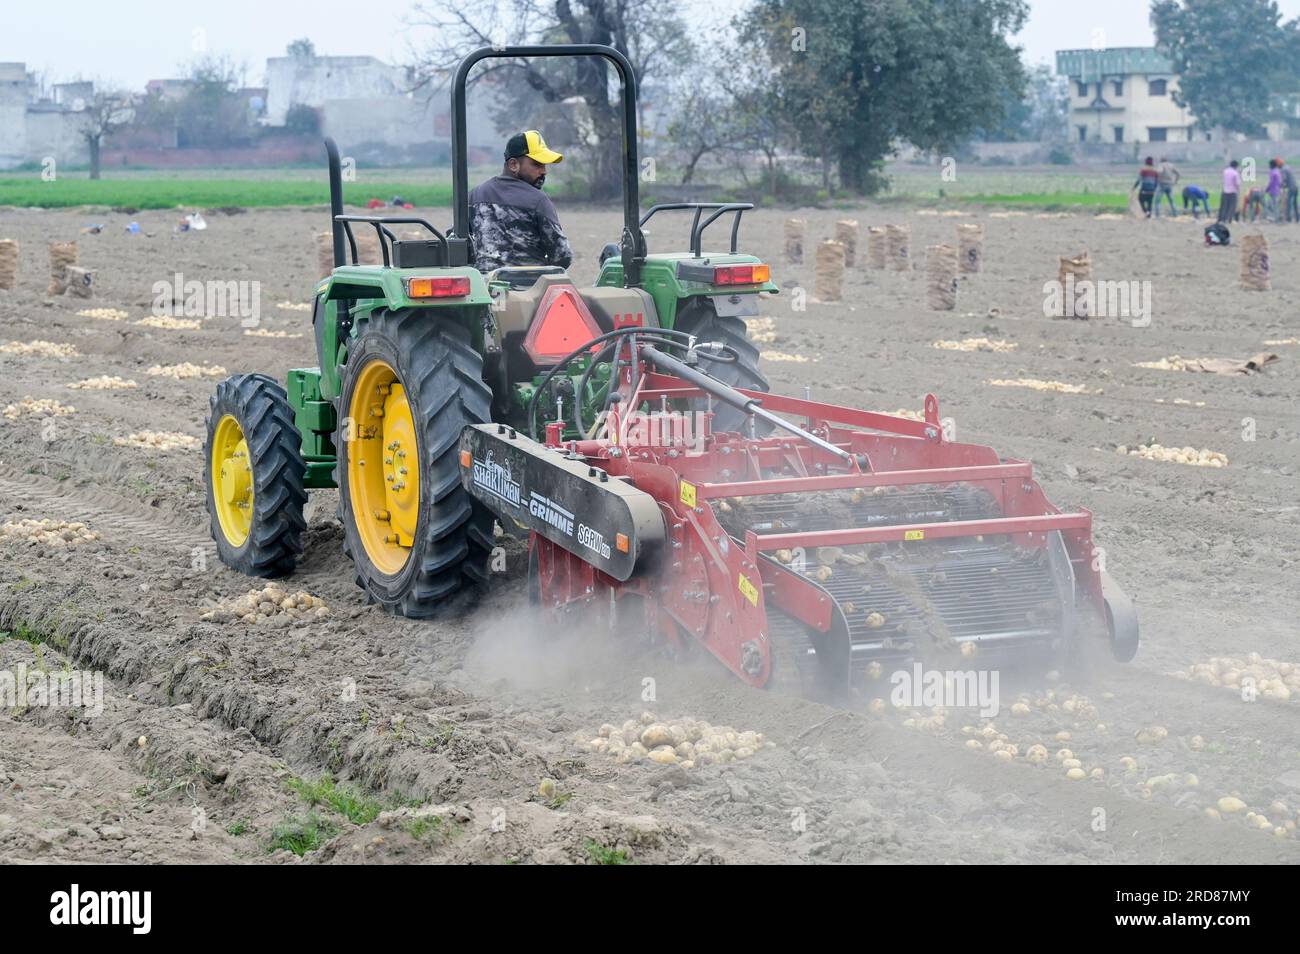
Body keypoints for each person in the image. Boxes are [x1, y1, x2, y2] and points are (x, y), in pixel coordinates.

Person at [468, 130, 573, 273]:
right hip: (529, 287)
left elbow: (457, 241)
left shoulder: (475, 195)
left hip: (484, 286)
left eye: (544, 165)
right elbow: (562, 256)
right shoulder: (538, 201)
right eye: (537, 165)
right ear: (513, 165)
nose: (544, 171)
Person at [1218, 159, 1241, 223]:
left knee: (1224, 206)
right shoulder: (1235, 173)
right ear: (1236, 166)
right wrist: (1238, 191)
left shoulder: (1225, 171)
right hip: (1232, 192)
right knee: (1232, 207)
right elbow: (1237, 183)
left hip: (1225, 191)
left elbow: (1223, 181)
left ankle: (1222, 219)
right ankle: (1229, 219)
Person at [1265, 158, 1283, 222]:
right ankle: (1276, 218)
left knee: (1272, 205)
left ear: (1272, 165)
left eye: (1269, 165)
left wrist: (1266, 189)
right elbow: (1280, 182)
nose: (1269, 166)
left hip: (1273, 191)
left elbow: (1271, 182)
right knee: (1275, 205)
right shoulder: (1278, 171)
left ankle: (1276, 218)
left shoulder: (1273, 172)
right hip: (1277, 190)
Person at [1282, 158, 1299, 223]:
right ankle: (1297, 219)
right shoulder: (1288, 168)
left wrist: (1282, 185)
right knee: (1295, 204)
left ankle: (1289, 219)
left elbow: (1284, 179)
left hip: (1291, 188)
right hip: (1296, 187)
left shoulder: (1284, 169)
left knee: (1289, 204)